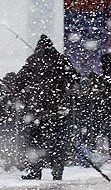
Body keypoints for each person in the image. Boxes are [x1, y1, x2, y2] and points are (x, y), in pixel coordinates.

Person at [12, 34, 79, 180]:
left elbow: (19, 81)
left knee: (35, 141)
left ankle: (35, 171)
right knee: (58, 142)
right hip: (58, 108)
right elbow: (75, 77)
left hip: (38, 110)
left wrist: (22, 90)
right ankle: (57, 171)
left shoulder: (33, 60)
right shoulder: (61, 59)